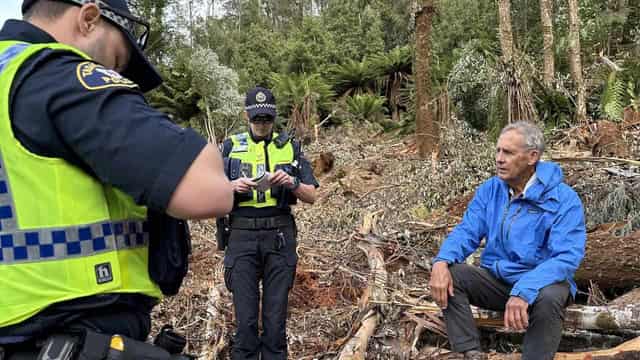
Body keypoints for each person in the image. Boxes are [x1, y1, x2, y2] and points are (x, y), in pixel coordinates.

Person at [0, 0, 233, 355]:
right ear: (89, 19)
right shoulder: (55, 76)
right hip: (67, 332)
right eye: (117, 62)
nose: (119, 78)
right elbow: (207, 189)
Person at [429, 121, 586, 360]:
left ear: (532, 157)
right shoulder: (491, 189)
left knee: (550, 297)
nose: (500, 159)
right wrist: (441, 261)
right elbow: (467, 231)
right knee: (451, 274)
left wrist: (524, 291)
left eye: (509, 153)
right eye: (498, 151)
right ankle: (469, 352)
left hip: (543, 284)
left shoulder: (564, 199)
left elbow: (566, 258)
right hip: (499, 280)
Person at [219, 86, 319, 360]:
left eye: (267, 119)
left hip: (279, 235)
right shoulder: (229, 147)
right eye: (256, 119)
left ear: (274, 117)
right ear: (246, 117)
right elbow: (207, 192)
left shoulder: (290, 146)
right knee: (246, 323)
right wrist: (230, 186)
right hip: (241, 236)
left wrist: (292, 182)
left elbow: (311, 194)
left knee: (275, 323)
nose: (262, 125)